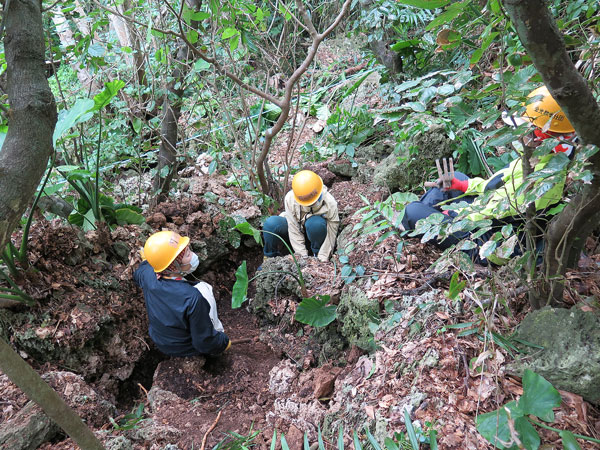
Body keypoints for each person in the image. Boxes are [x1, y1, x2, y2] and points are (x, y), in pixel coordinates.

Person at [401, 85, 577, 264]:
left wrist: (456, 214)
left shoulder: (545, 179)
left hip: (492, 243)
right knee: (457, 177)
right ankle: (425, 223)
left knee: (412, 210)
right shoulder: (538, 157)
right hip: (488, 218)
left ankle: (420, 223)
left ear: (538, 135)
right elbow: (494, 184)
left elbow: (497, 210)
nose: (518, 135)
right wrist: (462, 186)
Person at [134, 230, 230, 356]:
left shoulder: (148, 276)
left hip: (161, 340)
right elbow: (203, 342)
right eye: (187, 254)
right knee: (205, 289)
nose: (193, 255)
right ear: (174, 265)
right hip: (185, 348)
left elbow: (139, 272)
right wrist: (223, 343)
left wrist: (149, 261)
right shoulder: (192, 298)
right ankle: (217, 333)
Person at [263, 170, 340, 262]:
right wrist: (302, 256)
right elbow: (293, 227)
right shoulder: (290, 198)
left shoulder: (330, 203)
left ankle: (316, 254)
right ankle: (271, 259)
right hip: (297, 234)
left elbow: (331, 233)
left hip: (317, 235)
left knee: (315, 224)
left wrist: (321, 259)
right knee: (271, 223)